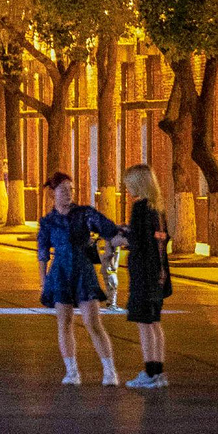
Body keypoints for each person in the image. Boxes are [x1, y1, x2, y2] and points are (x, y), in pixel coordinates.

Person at [37, 172, 127, 386]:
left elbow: (109, 231)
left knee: (93, 322)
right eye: (63, 190)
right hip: (60, 274)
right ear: (53, 193)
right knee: (64, 323)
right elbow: (42, 253)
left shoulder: (85, 214)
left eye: (71, 189)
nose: (68, 193)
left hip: (83, 271)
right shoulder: (48, 221)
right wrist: (43, 282)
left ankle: (109, 371)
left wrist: (127, 238)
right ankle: (71, 371)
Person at [122, 164, 173, 389]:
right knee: (154, 324)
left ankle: (149, 372)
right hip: (159, 276)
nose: (127, 188)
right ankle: (158, 373)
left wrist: (121, 237)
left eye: (129, 183)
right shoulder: (158, 210)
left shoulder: (140, 208)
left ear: (138, 183)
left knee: (144, 326)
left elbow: (138, 242)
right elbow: (159, 239)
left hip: (144, 276)